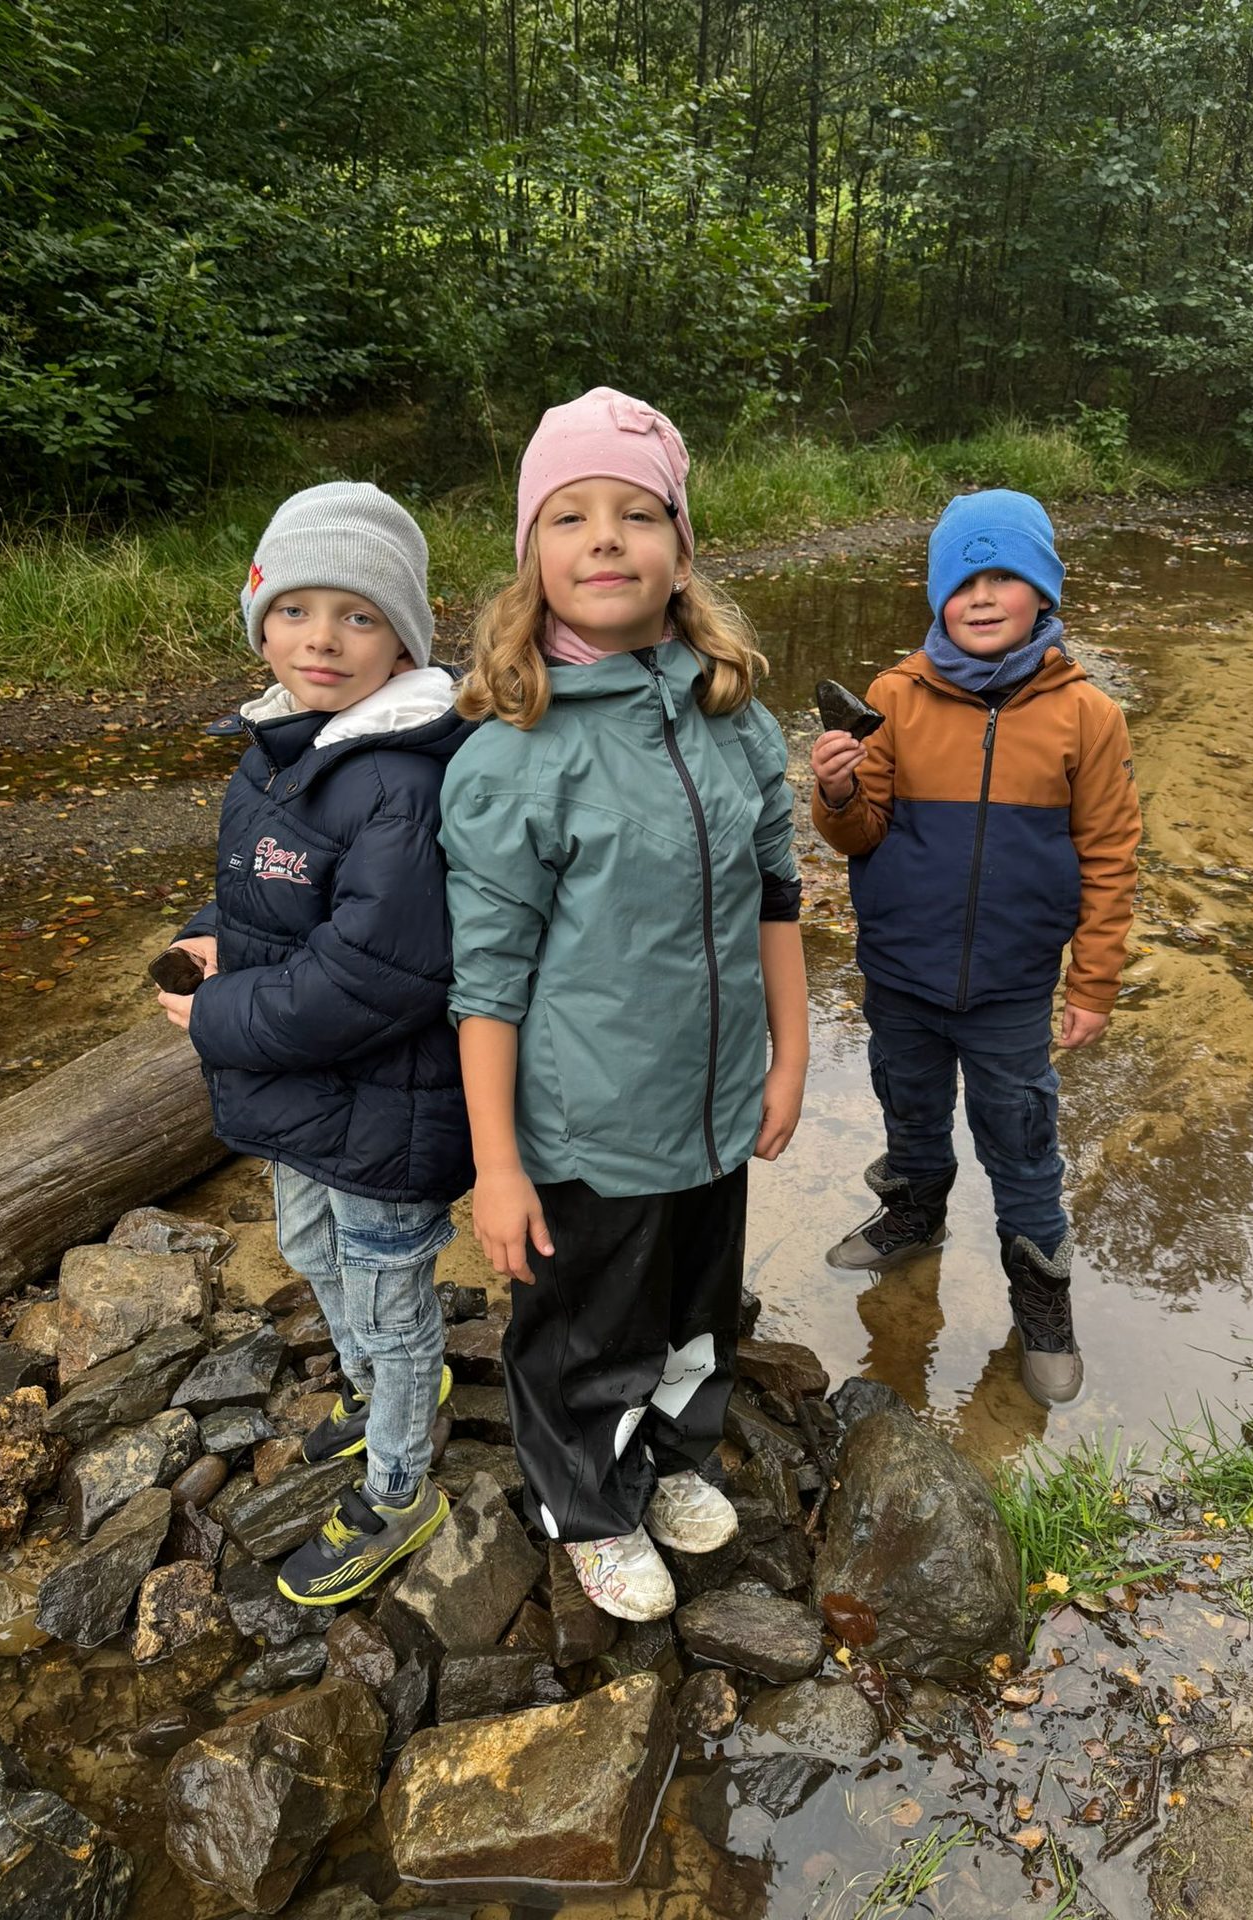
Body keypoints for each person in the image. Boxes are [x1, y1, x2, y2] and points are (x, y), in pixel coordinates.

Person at [439, 386, 808, 1622]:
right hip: (587, 1128)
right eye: (570, 516)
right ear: (534, 561)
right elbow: (486, 983)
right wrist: (498, 1166)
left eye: (638, 514)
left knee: (698, 1310)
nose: (605, 538)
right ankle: (586, 1506)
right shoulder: (513, 755)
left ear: (682, 554)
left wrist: (789, 1057)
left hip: (712, 1104)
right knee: (585, 1330)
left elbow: (776, 896)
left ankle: (676, 1452)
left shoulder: (733, 719)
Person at [157, 481, 475, 1604]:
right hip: (303, 1096)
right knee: (309, 1246)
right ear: (261, 622)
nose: (322, 639)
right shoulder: (277, 748)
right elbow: (258, 897)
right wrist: (205, 937)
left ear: (404, 640)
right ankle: (373, 1385)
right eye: (295, 610)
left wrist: (218, 1018)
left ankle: (400, 1487)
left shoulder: (404, 779)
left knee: (389, 1294)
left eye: (358, 616)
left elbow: (380, 976)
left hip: (390, 1106)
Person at [810, 489, 1140, 1407]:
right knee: (910, 1115)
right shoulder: (893, 699)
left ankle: (1042, 1303)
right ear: (937, 596)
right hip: (901, 976)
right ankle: (913, 1220)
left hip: (1011, 989)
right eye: (963, 581)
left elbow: (1111, 855)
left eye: (1005, 577)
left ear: (1044, 592)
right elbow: (859, 834)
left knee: (1024, 1147)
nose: (983, 596)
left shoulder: (1089, 717)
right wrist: (834, 794)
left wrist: (1094, 983)